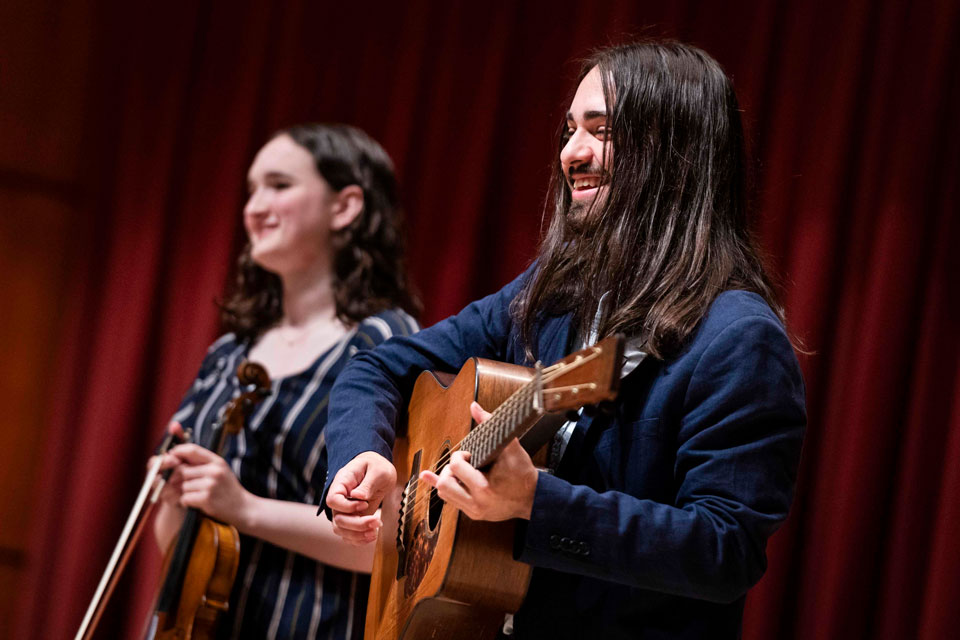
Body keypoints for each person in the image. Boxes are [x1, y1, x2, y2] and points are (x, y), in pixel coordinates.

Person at [322, 41, 807, 639]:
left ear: (676, 154)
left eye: (601, 132)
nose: (571, 153)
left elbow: (724, 551)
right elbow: (378, 367)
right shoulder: (554, 293)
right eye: (570, 130)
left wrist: (535, 502)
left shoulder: (737, 338)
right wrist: (361, 453)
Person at [152, 123, 420, 640]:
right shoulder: (227, 354)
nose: (253, 207)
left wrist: (244, 508)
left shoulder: (385, 344)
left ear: (344, 207)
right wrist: (174, 495)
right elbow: (176, 546)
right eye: (252, 190)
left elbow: (390, 541)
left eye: (278, 185)